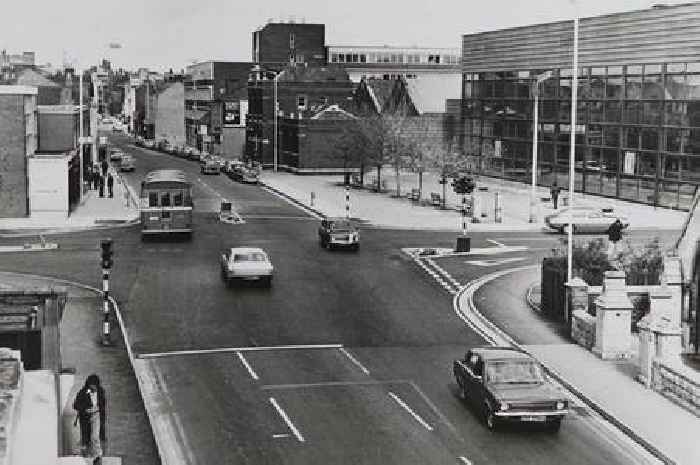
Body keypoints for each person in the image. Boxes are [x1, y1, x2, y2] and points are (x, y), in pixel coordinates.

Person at [73, 374, 106, 464]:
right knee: (85, 437)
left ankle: (98, 456)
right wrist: (85, 409)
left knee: (95, 436)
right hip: (85, 417)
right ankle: (78, 453)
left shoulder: (101, 391)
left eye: (95, 386)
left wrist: (98, 408)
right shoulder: (83, 392)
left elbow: (103, 404)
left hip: (96, 416)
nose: (93, 388)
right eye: (91, 386)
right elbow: (76, 405)